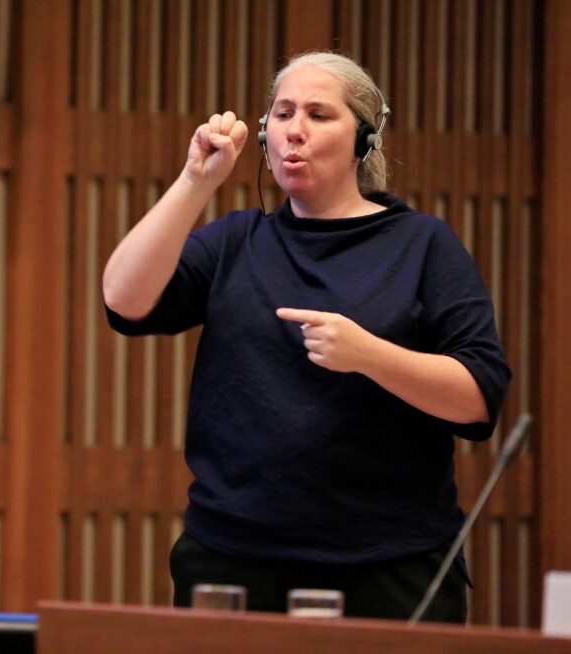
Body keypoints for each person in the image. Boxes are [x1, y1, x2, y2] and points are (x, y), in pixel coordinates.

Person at [102, 51, 510, 622]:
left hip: (390, 565)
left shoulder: (421, 245)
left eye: (319, 115)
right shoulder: (236, 240)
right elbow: (123, 301)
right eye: (283, 114)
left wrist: (370, 355)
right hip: (231, 558)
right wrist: (196, 180)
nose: (295, 130)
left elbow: (479, 397)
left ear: (363, 140)